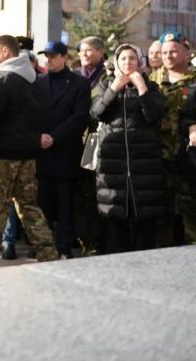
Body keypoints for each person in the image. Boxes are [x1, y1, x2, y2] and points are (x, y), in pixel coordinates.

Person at [0, 35, 59, 270]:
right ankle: (48, 252)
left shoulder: (1, 81)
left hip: (1, 155)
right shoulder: (34, 80)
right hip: (27, 156)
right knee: (28, 205)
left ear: (5, 52)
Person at [90, 43, 168, 253]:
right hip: (113, 164)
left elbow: (155, 115)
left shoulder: (151, 87)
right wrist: (114, 90)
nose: (128, 62)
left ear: (140, 61)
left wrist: (141, 88)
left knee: (145, 221)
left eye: (132, 58)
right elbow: (96, 113)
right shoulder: (107, 85)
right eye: (123, 58)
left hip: (144, 163)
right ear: (116, 62)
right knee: (115, 219)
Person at [34, 41, 91, 258]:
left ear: (64, 57)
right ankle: (44, 245)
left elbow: (79, 117)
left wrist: (54, 137)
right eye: (45, 56)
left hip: (65, 150)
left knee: (66, 201)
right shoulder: (38, 82)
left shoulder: (79, 83)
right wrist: (39, 137)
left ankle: (64, 245)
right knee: (43, 201)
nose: (48, 60)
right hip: (42, 151)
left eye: (53, 56)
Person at [150, 32, 196, 245]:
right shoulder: (151, 80)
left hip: (189, 160)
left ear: (187, 52)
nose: (168, 56)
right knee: (162, 215)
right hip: (158, 157)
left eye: (174, 51)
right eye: (165, 52)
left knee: (191, 213)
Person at [75, 35, 108, 255]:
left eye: (89, 50)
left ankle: (99, 240)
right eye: (82, 50)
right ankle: (84, 240)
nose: (84, 54)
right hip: (76, 142)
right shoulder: (74, 76)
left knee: (99, 192)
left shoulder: (107, 77)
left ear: (100, 52)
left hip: (99, 141)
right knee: (82, 194)